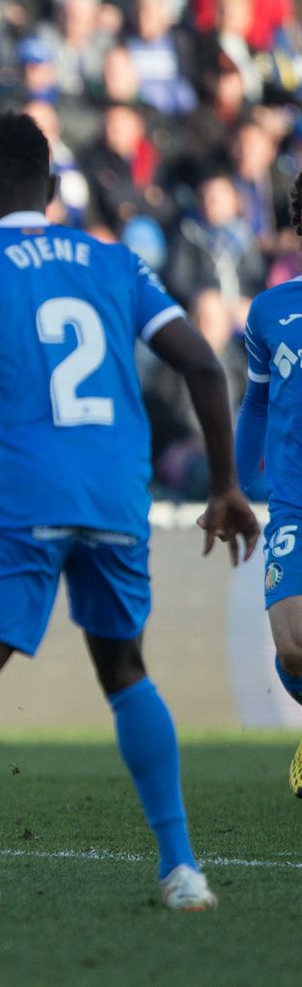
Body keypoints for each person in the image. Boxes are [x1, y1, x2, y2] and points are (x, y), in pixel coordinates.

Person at [0, 111, 258, 915]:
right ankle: (183, 870)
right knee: (126, 674)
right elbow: (204, 367)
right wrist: (225, 484)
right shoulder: (117, 262)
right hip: (118, 497)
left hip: (24, 498)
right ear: (49, 188)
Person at [235, 172, 302, 796]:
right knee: (294, 648)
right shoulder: (271, 311)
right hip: (294, 505)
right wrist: (231, 487)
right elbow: (256, 404)